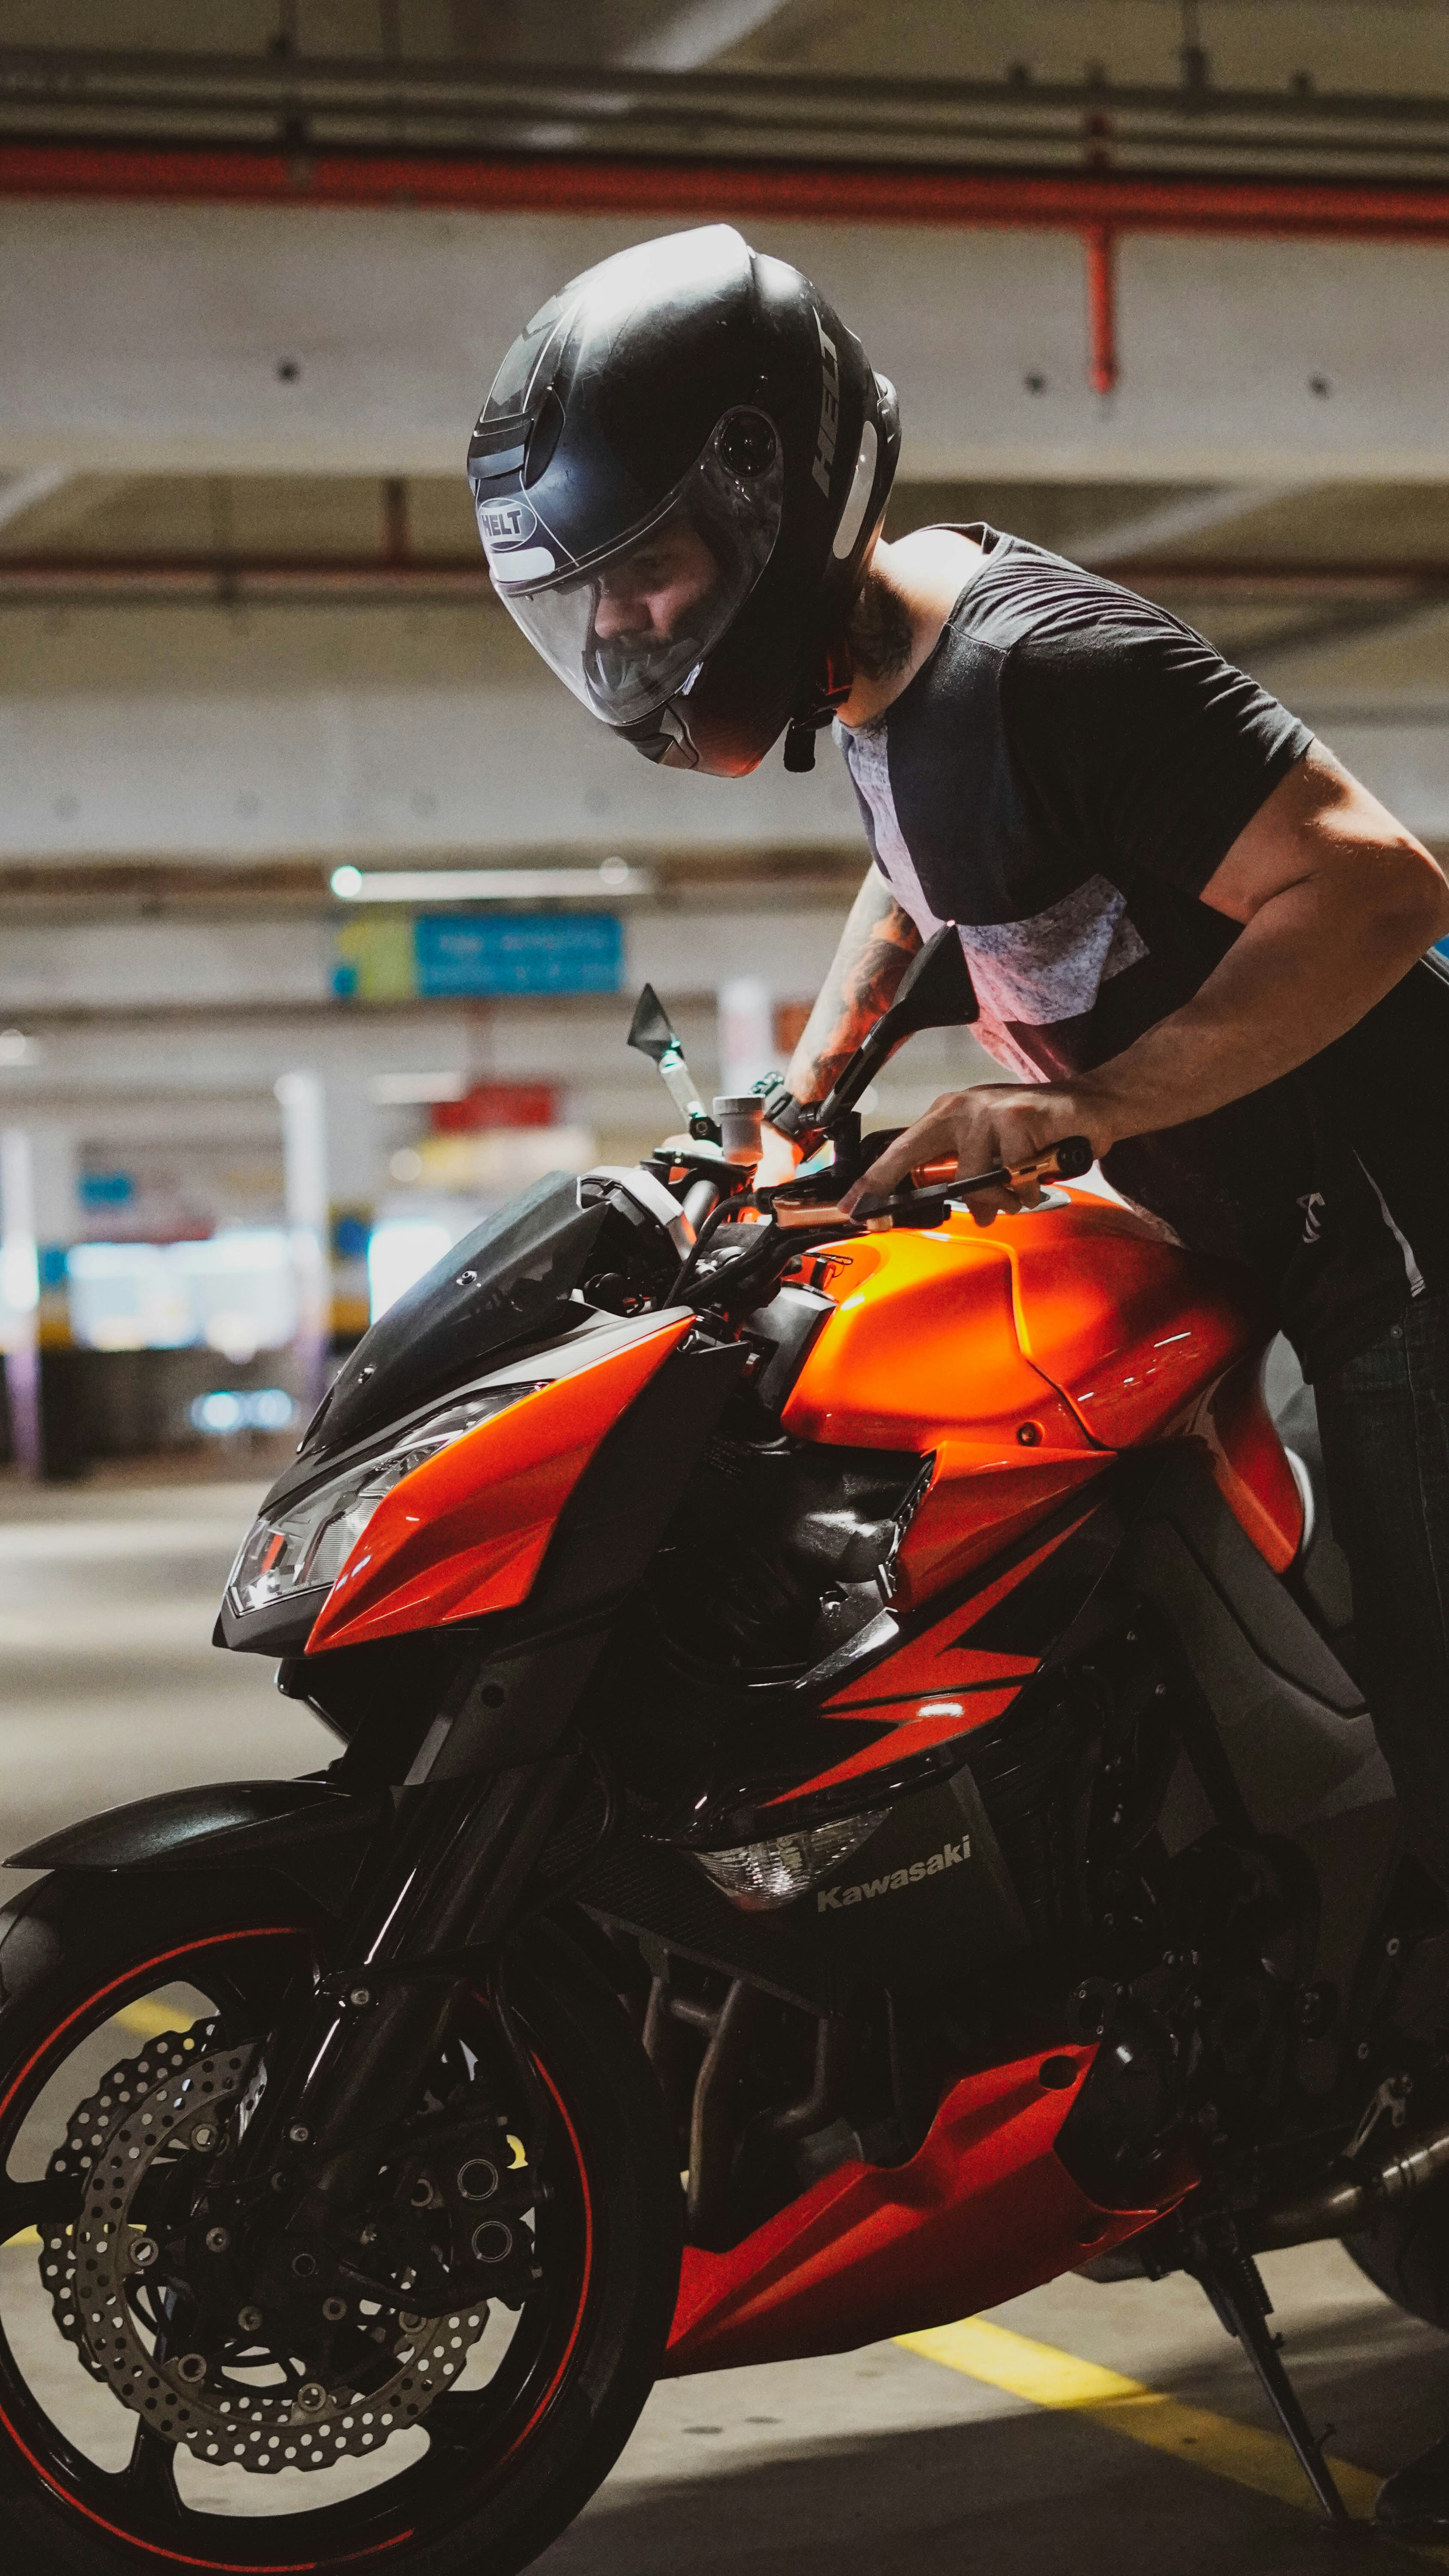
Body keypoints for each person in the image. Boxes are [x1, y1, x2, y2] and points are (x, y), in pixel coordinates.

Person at [471, 225, 1449, 2536]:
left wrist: (1086, 1112)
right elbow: (937, 882)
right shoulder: (889, 684)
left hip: (1399, 1254)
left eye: (653, 577)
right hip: (1242, 1234)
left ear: (781, 486)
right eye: (589, 602)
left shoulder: (1049, 662)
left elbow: (1376, 889)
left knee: (1429, 1717)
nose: (628, 636)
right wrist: (807, 1096)